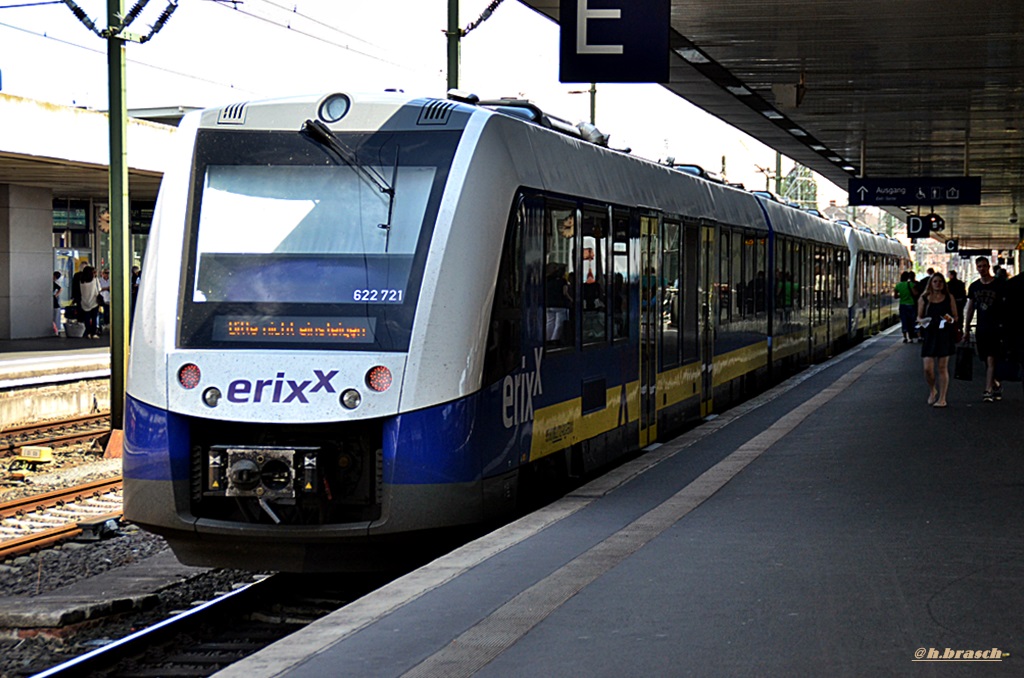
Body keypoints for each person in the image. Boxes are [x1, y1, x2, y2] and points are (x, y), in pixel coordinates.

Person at [963, 256, 1005, 402]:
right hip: (981, 328)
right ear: (977, 268)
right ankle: (996, 384)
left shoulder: (999, 285)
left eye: (984, 266)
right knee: (985, 359)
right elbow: (970, 308)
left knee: (991, 358)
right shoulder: (974, 287)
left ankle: (987, 390)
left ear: (989, 267)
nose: (982, 269)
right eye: (979, 266)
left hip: (996, 327)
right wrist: (966, 329)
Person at [917, 272, 958, 408]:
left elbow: (955, 316)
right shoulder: (924, 298)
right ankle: (932, 389)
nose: (938, 284)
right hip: (930, 334)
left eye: (940, 281)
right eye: (935, 281)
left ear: (943, 283)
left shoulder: (948, 297)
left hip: (944, 335)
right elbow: (919, 316)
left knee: (942, 367)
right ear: (931, 283)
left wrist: (949, 320)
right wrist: (923, 322)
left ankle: (942, 398)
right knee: (927, 368)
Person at [78, 266, 102, 339]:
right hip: (94, 301)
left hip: (84, 301)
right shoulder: (95, 280)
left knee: (87, 318)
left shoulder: (81, 281)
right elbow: (99, 289)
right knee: (94, 318)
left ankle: (88, 332)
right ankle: (93, 333)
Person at [894, 271, 917, 343]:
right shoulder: (911, 284)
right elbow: (915, 293)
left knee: (904, 321)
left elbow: (895, 296)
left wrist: (901, 295)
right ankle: (911, 337)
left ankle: (905, 337)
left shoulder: (898, 285)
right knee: (911, 321)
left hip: (902, 305)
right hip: (911, 304)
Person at [946, 270, 967, 336]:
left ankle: (951, 329)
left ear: (951, 275)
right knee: (960, 315)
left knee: (950, 315)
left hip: (951, 303)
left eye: (949, 274)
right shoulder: (961, 283)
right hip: (960, 302)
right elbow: (964, 293)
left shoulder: (948, 284)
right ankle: (960, 328)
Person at [52, 271, 62, 336]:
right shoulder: (56, 282)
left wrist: (55, 295)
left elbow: (60, 289)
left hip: (54, 300)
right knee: (56, 315)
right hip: (55, 299)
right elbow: (60, 289)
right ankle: (57, 329)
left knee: (54, 316)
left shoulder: (53, 283)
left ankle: (56, 329)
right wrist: (56, 295)